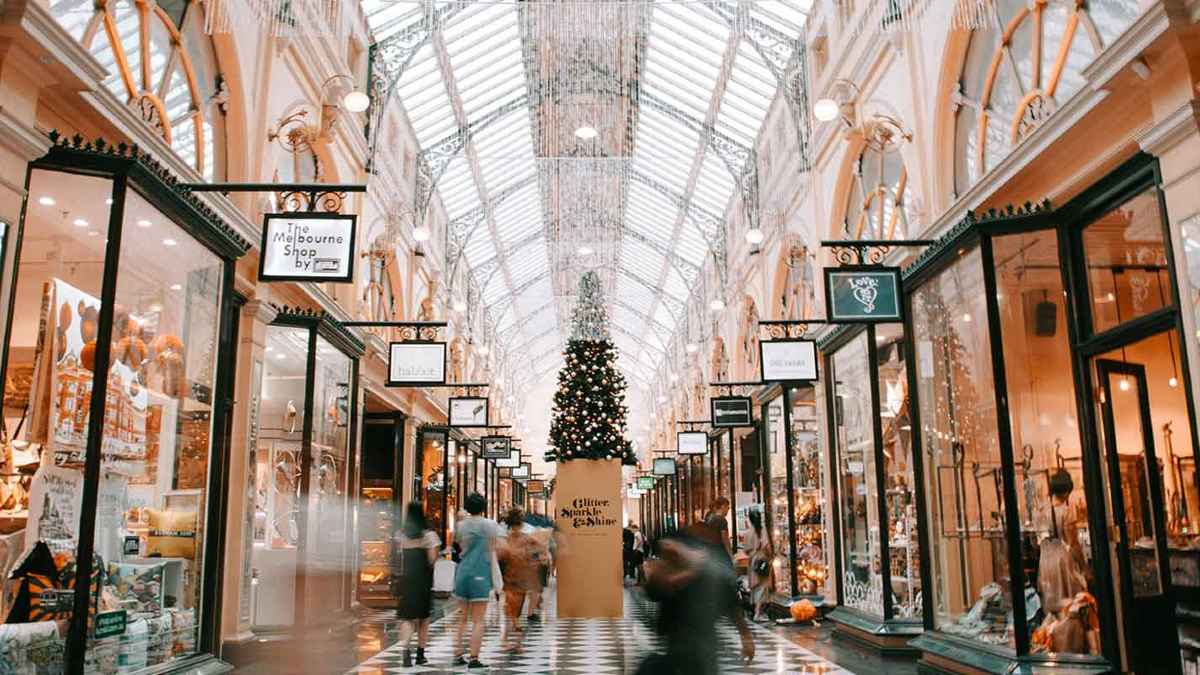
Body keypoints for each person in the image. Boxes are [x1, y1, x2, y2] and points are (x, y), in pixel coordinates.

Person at [640, 531, 755, 675]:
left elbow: (730, 602)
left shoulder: (708, 572)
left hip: (701, 644)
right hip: (677, 643)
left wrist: (745, 635)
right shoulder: (669, 569)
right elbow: (653, 592)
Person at [452, 493, 502, 669]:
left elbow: (458, 545)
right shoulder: (490, 525)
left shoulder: (460, 526)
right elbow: (493, 548)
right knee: (478, 620)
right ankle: (474, 658)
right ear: (483, 507)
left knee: (462, 618)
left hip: (462, 573)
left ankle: (457, 654)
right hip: (480, 573)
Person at [393, 501, 440, 666]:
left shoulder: (401, 534)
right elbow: (432, 559)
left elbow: (398, 556)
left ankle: (405, 651)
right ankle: (420, 654)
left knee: (407, 618)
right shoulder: (429, 536)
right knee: (423, 619)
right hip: (423, 581)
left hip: (407, 579)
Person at [496, 508, 541, 653]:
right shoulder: (527, 538)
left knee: (511, 610)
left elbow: (499, 557)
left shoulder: (505, 539)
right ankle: (513, 640)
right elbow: (538, 553)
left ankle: (510, 639)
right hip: (521, 578)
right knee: (515, 611)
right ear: (521, 523)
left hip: (509, 579)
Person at [745, 509, 773, 621]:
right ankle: (758, 612)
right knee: (762, 585)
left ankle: (756, 611)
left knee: (755, 585)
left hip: (753, 560)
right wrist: (770, 557)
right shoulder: (762, 531)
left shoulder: (748, 532)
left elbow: (746, 550)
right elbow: (767, 546)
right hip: (762, 559)